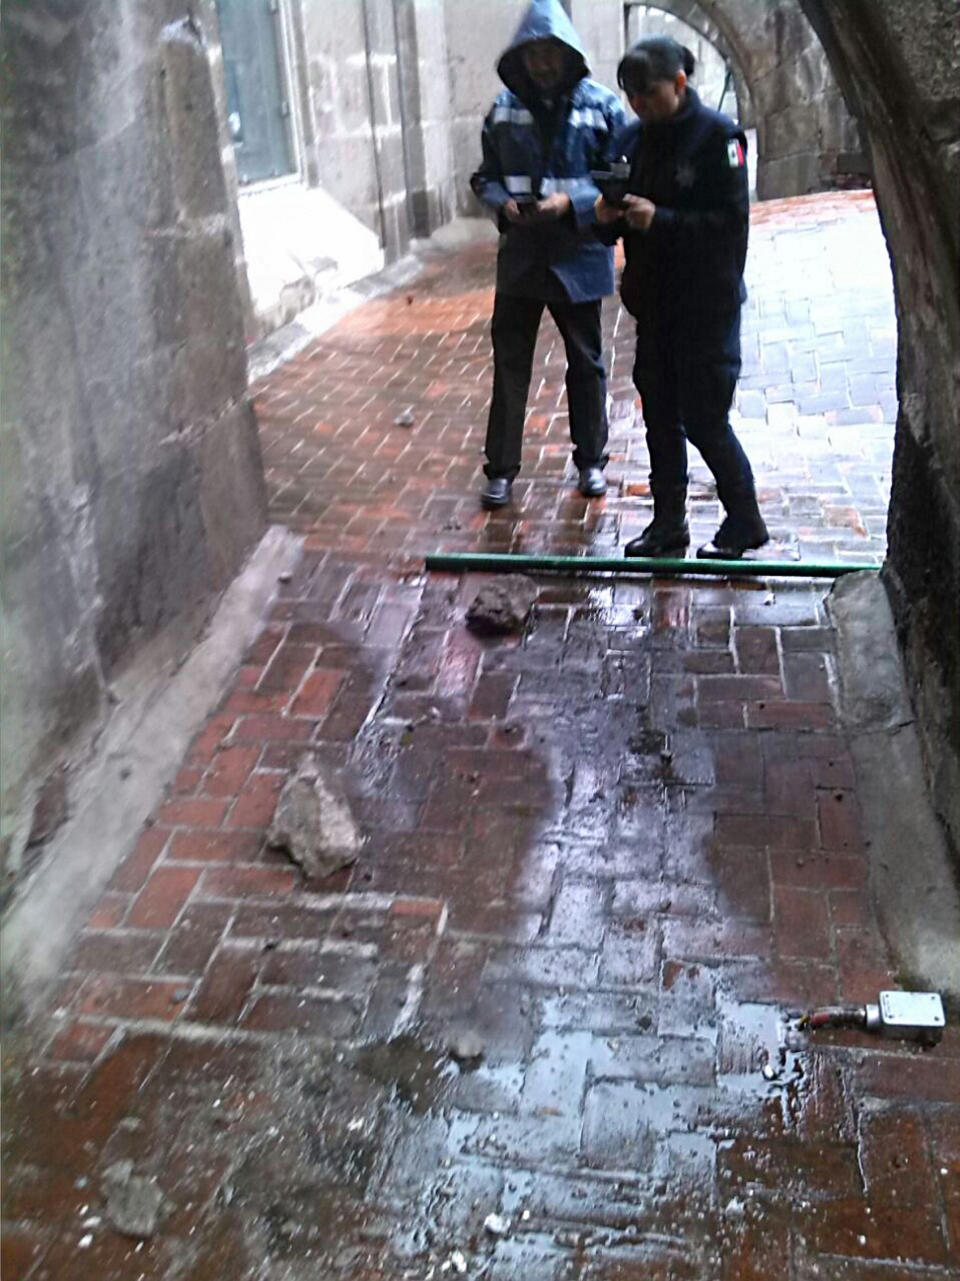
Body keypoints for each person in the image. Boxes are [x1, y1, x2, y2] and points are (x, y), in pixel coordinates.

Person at [595, 36, 769, 559]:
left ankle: (745, 520)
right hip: (653, 305)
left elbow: (729, 225)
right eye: (630, 96)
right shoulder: (629, 139)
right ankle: (668, 523)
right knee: (660, 417)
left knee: (704, 417)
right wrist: (605, 220)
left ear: (679, 82)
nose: (638, 106)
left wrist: (662, 220)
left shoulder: (719, 139)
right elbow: (610, 216)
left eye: (647, 93)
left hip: (706, 305)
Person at [470, 0, 626, 510]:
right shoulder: (504, 109)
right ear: (520, 57)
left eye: (549, 53)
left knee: (587, 363)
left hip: (578, 257)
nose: (540, 63)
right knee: (510, 364)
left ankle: (591, 461)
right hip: (521, 257)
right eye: (532, 53)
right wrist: (503, 203)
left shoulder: (601, 108)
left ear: (567, 53)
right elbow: (485, 176)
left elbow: (620, 178)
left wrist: (572, 203)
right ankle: (501, 470)